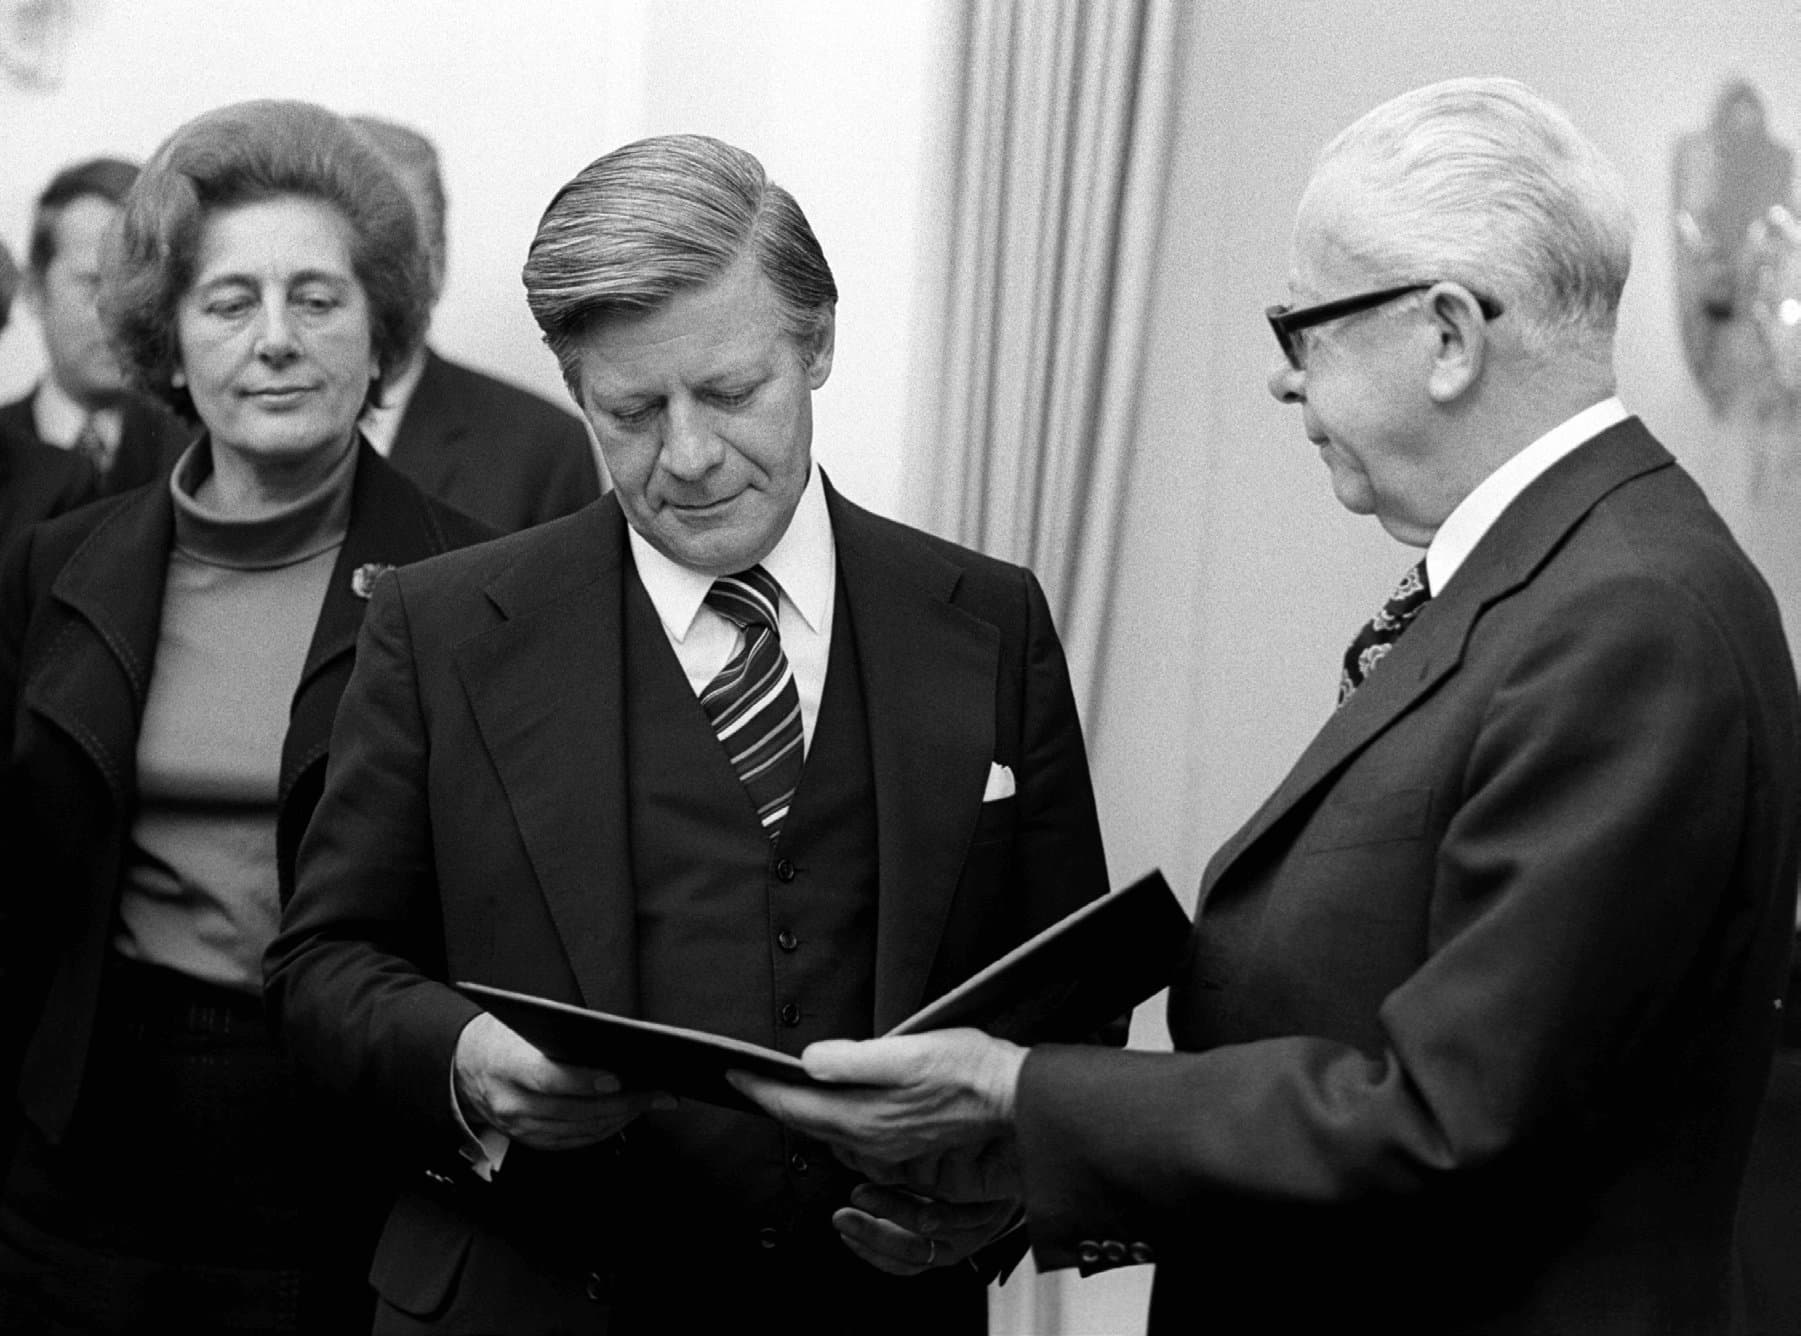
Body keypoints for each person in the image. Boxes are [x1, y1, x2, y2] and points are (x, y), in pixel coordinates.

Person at [738, 77, 1801, 1335]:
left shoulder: (1630, 619)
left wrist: (1022, 1095)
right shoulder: (1557, 581)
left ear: (1449, 334)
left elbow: (1448, 1124)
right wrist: (1035, 1167)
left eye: (1303, 328)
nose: (1281, 383)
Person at [265, 132, 1110, 1335]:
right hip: (532, 1298)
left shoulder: (989, 618)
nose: (691, 455)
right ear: (575, 393)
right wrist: (466, 1062)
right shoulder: (442, 625)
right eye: (631, 410)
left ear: (815, 344)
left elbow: (1070, 982)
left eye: (729, 391)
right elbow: (321, 970)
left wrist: (996, 1194)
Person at [0, 99, 493, 1333]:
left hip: (338, 1150)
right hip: (80, 1141)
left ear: (381, 327)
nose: (275, 340)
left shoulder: (475, 584)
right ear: (167, 337)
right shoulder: (55, 564)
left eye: (317, 298)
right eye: (229, 302)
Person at [348, 114, 603, 531]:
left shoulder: (542, 451)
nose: (368, 282)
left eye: (394, 252)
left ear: (439, 262)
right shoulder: (222, 435)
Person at [0, 158, 187, 495]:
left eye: (134, 285)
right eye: (92, 283)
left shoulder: (196, 455)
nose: (117, 312)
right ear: (35, 291)